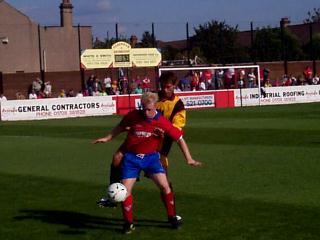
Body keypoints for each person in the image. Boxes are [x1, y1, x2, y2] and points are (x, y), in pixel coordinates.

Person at [93, 92, 201, 234]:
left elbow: (179, 138)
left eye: (149, 109)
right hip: (131, 159)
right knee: (125, 192)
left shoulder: (161, 121)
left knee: (165, 186)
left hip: (151, 159)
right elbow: (120, 126)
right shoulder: (133, 116)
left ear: (155, 106)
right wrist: (108, 138)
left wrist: (189, 158)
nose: (146, 112)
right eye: (143, 108)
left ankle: (171, 217)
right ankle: (128, 224)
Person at [97, 71, 187, 208]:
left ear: (175, 85)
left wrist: (160, 132)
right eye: (163, 86)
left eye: (168, 86)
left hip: (160, 145)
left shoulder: (178, 105)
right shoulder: (153, 97)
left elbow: (176, 130)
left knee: (165, 184)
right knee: (117, 158)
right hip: (139, 139)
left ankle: (172, 211)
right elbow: (138, 116)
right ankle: (114, 195)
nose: (164, 89)